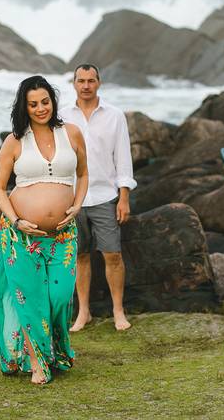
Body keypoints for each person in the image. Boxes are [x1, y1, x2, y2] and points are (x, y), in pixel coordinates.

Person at [0, 75, 88, 385]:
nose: (40, 108)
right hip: (21, 235)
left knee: (60, 296)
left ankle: (54, 352)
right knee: (29, 299)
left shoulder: (71, 133)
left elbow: (83, 174)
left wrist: (77, 205)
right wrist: (16, 220)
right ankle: (37, 362)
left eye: (45, 102)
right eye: (33, 104)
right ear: (25, 107)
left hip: (63, 234)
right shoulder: (14, 141)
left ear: (53, 102)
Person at [60, 63, 136, 331]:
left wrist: (124, 197)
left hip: (105, 196)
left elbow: (123, 158)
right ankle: (84, 312)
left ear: (99, 83)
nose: (86, 86)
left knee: (112, 255)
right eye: (81, 81)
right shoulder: (62, 116)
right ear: (74, 84)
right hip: (73, 199)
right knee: (80, 256)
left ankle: (118, 311)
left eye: (91, 80)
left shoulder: (115, 115)